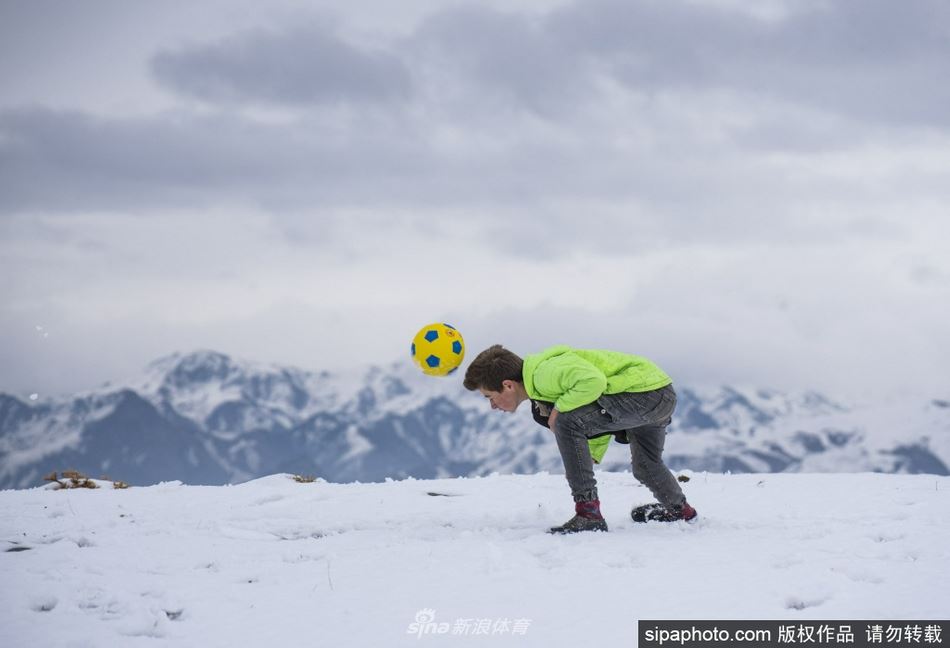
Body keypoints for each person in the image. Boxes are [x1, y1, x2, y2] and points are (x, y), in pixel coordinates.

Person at [463, 344, 697, 534]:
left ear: (507, 385)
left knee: (564, 420)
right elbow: (595, 405)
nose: (492, 406)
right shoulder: (541, 380)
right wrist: (591, 453)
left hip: (642, 394)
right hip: (658, 393)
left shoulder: (544, 374)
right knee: (646, 465)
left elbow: (594, 383)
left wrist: (559, 411)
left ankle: (589, 514)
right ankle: (680, 510)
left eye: (489, 397)